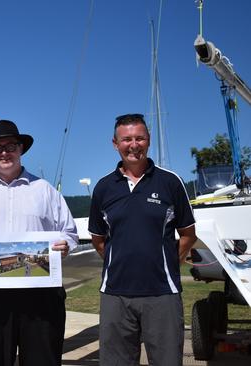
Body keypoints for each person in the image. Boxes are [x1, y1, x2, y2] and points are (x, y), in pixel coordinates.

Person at [0, 119, 78, 366]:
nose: (4, 152)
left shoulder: (45, 190)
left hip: (40, 291)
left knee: (42, 359)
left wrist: (65, 245)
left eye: (10, 145)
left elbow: (70, 233)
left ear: (21, 149)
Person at [88, 113, 197, 365]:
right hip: (115, 295)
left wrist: (167, 262)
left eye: (140, 138)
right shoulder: (104, 188)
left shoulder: (170, 182)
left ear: (148, 141)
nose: (133, 145)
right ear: (115, 144)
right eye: (126, 139)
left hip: (162, 294)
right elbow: (99, 240)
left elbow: (188, 235)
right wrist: (122, 262)